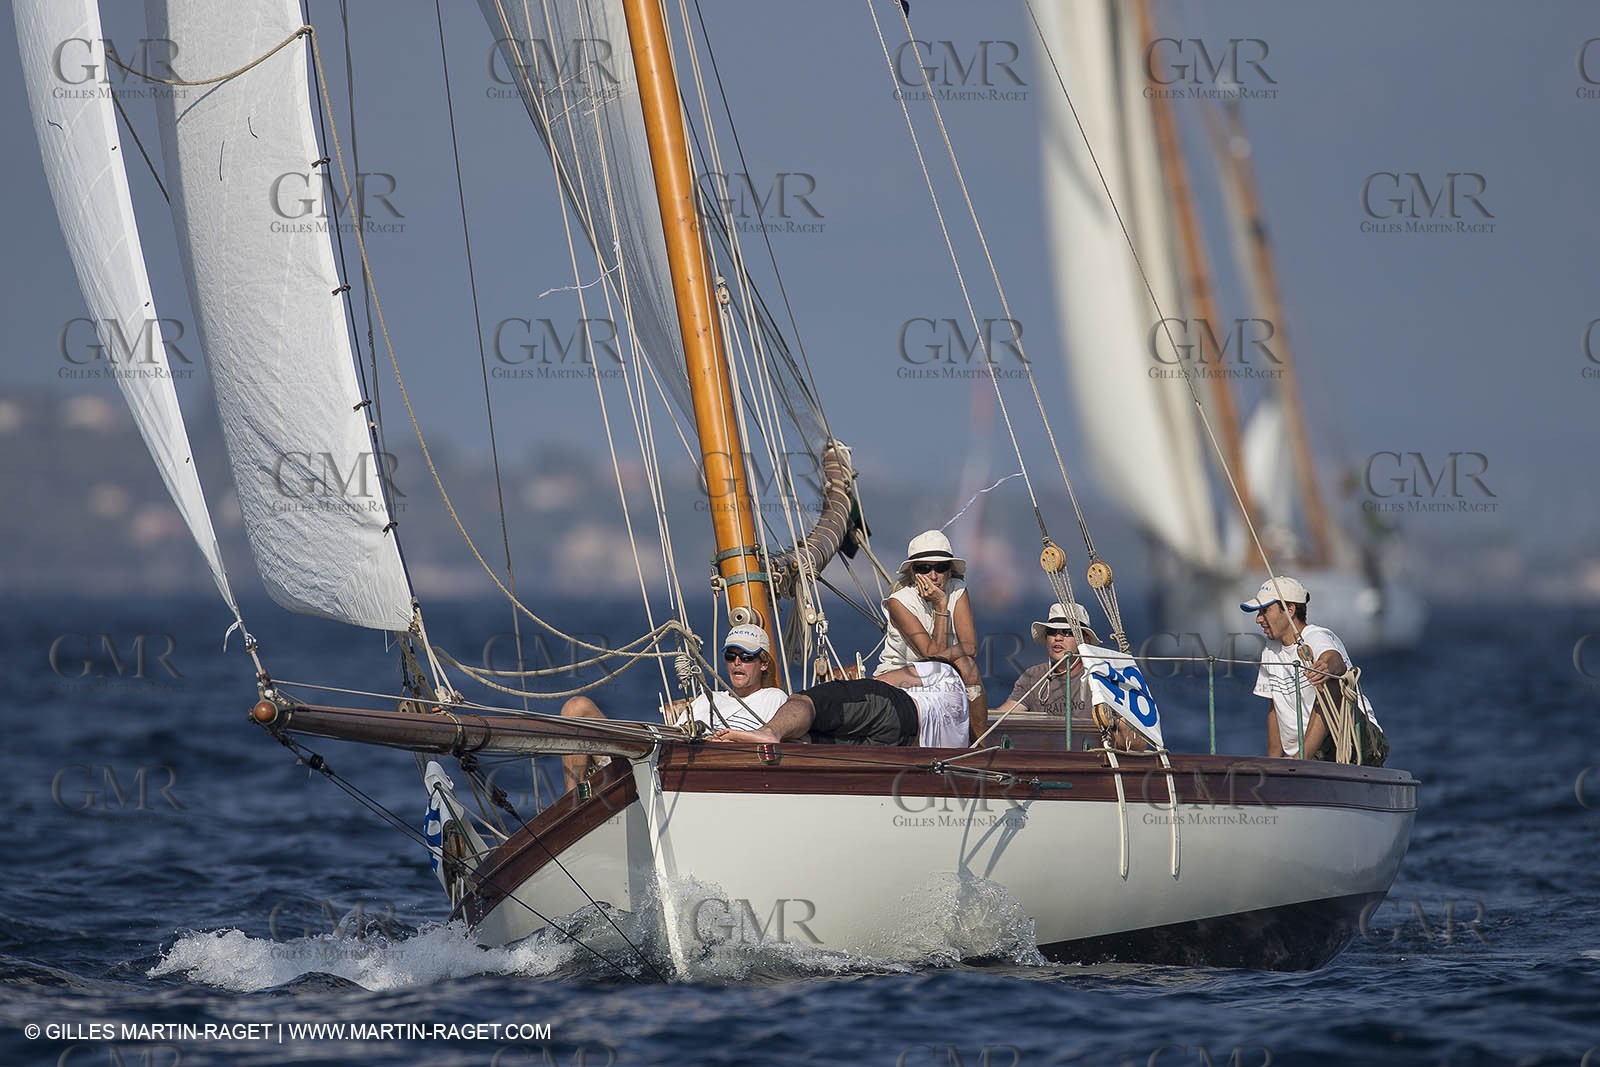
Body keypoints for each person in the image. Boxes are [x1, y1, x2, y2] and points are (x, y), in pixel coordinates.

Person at [558, 624, 785, 789]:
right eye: (731, 655)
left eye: (746, 657)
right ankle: (572, 808)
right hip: (661, 764)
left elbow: (773, 741)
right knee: (577, 707)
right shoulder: (707, 698)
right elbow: (674, 736)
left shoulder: (774, 698)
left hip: (710, 772)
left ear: (763, 663)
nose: (737, 662)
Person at [1242, 576, 1382, 762]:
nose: (1259, 619)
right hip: (1308, 755)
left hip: (1353, 742)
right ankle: (1299, 761)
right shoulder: (1270, 650)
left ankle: (1302, 759)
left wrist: (1325, 666)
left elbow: (1334, 660)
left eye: (1265, 610)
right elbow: (1274, 710)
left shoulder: (1316, 636)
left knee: (1330, 680)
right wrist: (1272, 764)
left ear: (1290, 609)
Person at [876, 530, 988, 741]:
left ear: (949, 570)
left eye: (940, 567)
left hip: (943, 673)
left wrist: (945, 656)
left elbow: (970, 646)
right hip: (901, 674)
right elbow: (931, 655)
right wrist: (941, 604)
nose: (933, 575)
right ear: (912, 573)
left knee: (967, 664)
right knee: (963, 664)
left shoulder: (958, 589)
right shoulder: (898, 602)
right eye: (924, 568)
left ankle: (979, 745)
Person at [991, 601, 1147, 751]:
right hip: (1044, 764)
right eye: (1052, 632)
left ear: (1084, 640)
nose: (1058, 638)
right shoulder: (1033, 676)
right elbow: (1004, 716)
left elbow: (1137, 744)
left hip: (1093, 766)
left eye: (1067, 632)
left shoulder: (1103, 677)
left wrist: (1115, 721)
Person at [709, 660, 970, 748]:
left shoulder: (944, 671)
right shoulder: (960, 735)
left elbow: (885, 681)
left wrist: (843, 681)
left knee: (806, 702)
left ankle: (769, 731)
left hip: (895, 707)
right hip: (901, 744)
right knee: (818, 745)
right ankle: (776, 736)